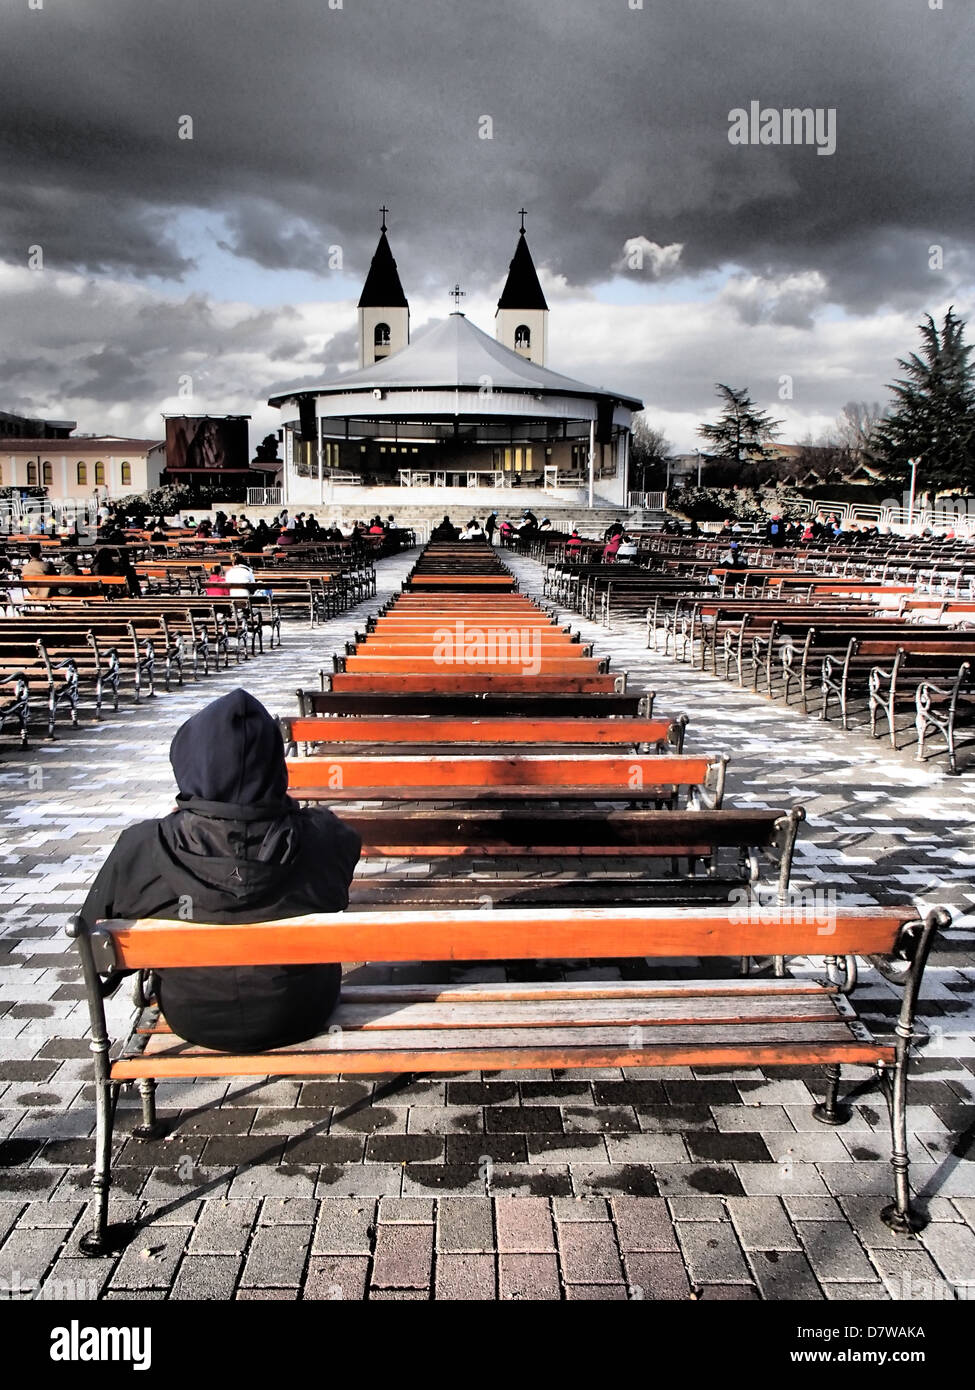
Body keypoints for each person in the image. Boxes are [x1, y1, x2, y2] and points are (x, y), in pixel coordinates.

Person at [79, 689, 362, 1052]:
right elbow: (336, 894)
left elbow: (93, 940)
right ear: (276, 762)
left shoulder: (142, 847)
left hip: (192, 1015)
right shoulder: (326, 836)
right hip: (300, 1009)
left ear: (189, 759)